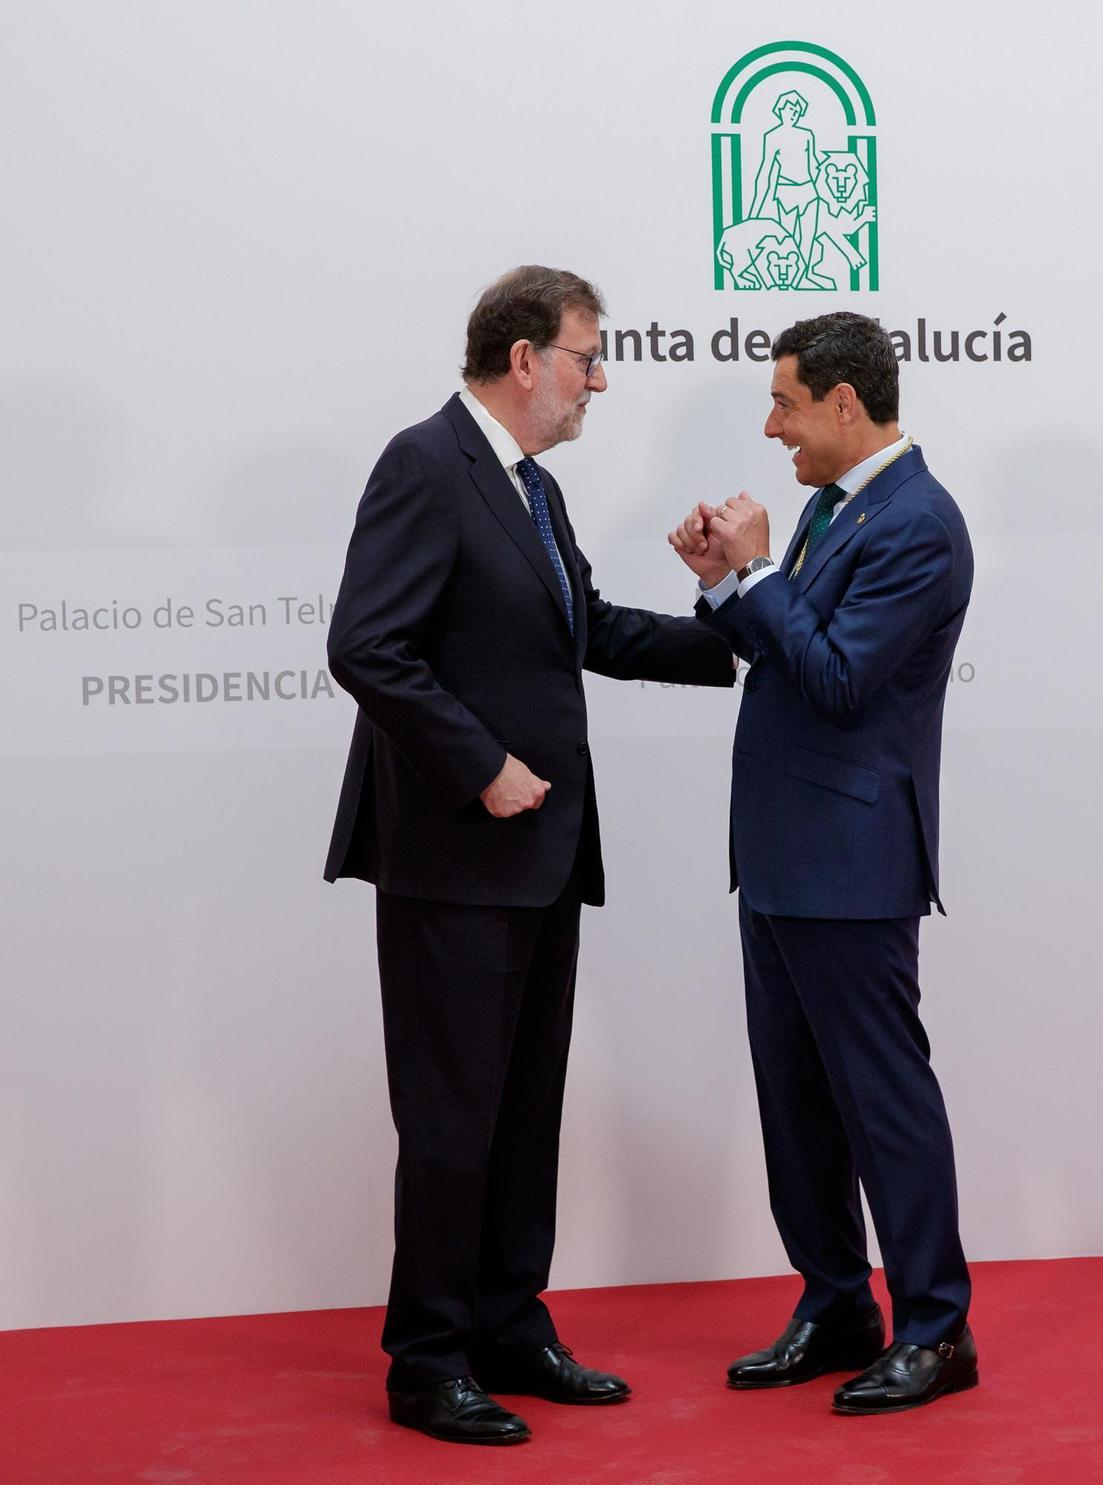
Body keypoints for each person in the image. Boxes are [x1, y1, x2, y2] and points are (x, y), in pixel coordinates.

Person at [324, 265, 734, 1446]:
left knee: (521, 1113)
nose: (597, 380)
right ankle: (428, 1361)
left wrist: (727, 623)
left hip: (543, 858)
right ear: (524, 360)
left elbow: (589, 631)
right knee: (453, 1121)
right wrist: (481, 763)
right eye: (587, 357)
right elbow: (368, 645)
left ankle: (508, 1324)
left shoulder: (534, 492)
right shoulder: (424, 463)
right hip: (456, 853)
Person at [668, 311, 977, 1415]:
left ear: (847, 403)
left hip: (853, 860)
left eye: (786, 404)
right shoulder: (830, 506)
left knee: (882, 1100)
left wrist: (758, 576)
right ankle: (838, 1302)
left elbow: (841, 680)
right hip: (784, 858)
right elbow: (786, 657)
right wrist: (728, 583)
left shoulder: (920, 524)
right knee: (795, 1100)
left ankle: (937, 1330)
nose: (772, 426)